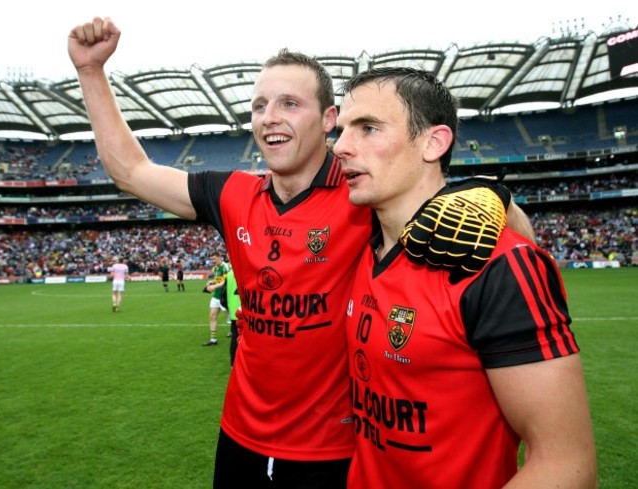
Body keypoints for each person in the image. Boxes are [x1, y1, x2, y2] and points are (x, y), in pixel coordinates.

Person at [68, 18, 533, 488]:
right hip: (239, 437)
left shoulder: (364, 195)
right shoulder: (231, 194)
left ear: (329, 120)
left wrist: (496, 198)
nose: (269, 116)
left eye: (290, 103)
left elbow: (462, 213)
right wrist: (90, 71)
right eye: (259, 105)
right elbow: (130, 170)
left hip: (333, 450)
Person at [333, 67, 598, 488]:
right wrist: (495, 192)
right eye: (343, 129)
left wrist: (497, 199)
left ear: (434, 142)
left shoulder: (500, 267)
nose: (340, 146)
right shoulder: (354, 245)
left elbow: (567, 466)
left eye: (367, 128)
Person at [202, 251, 229, 346]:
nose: (213, 261)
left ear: (220, 257)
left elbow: (226, 282)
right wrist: (211, 282)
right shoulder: (215, 268)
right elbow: (218, 279)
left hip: (225, 296)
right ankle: (213, 339)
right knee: (212, 316)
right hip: (216, 296)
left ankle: (237, 335)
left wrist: (214, 287)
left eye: (214, 259)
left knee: (230, 320)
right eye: (211, 259)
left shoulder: (225, 266)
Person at [224, 265, 242, 366]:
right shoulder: (241, 271)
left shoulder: (229, 273)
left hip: (233, 310)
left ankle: (233, 364)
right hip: (242, 310)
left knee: (235, 337)